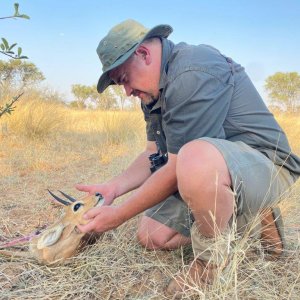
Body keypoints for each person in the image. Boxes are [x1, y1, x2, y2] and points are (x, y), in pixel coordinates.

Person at [76, 19, 300, 297]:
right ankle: (244, 211)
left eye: (123, 79)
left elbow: (180, 164)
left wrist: (118, 216)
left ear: (144, 54)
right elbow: (151, 153)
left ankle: (210, 263)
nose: (127, 91)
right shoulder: (154, 91)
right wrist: (114, 188)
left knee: (194, 157)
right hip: (215, 168)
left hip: (268, 165)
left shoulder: (193, 70)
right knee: (153, 235)